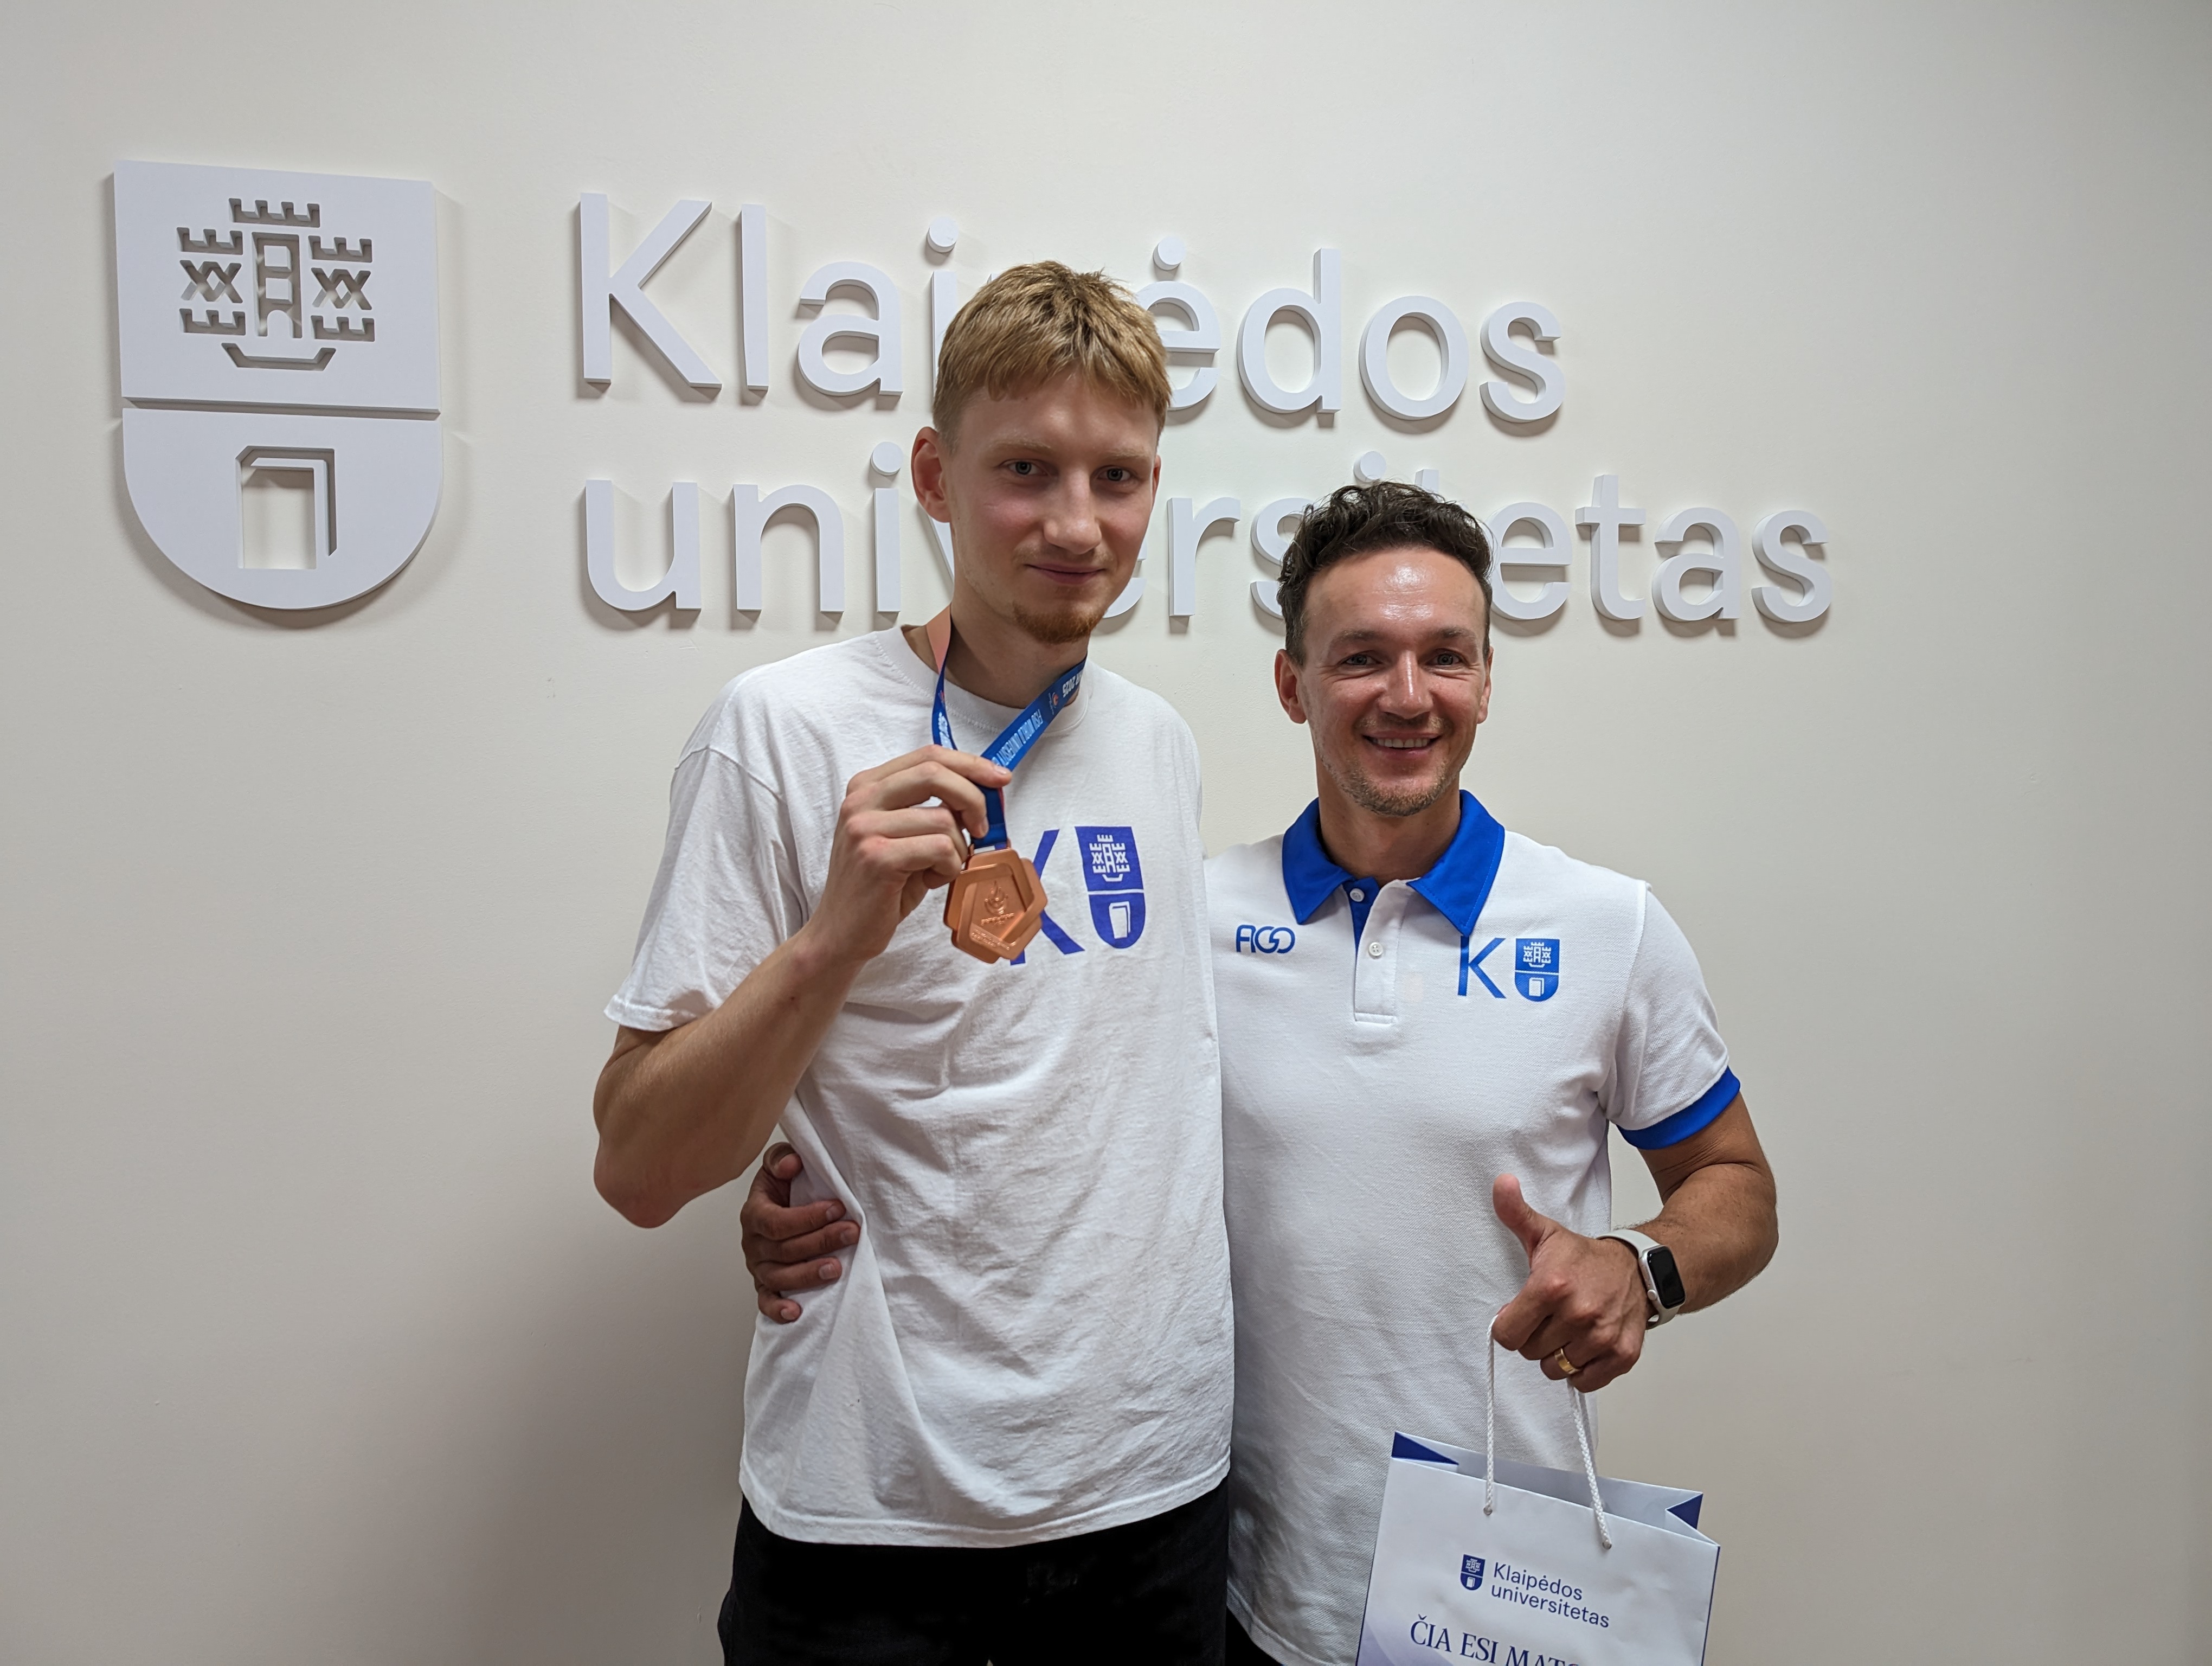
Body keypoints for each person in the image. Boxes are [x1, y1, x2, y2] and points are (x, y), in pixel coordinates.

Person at [744, 481, 1780, 1666]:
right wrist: (821, 1194)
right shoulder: (1190, 918)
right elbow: (1033, 1113)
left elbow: (1738, 1187)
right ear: (1293, 686)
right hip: (1232, 1592)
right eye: (1361, 658)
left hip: (1498, 1599)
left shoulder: (1609, 927)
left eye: (1446, 656)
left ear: (1488, 679)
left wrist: (1640, 1265)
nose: (1408, 695)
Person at [594, 264, 1234, 1666]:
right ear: (937, 477)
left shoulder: (1160, 745)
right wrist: (834, 941)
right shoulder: (779, 730)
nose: (1077, 524)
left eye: (1119, 478)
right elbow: (638, 1165)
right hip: (873, 1527)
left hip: (1155, 1504)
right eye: (1026, 470)